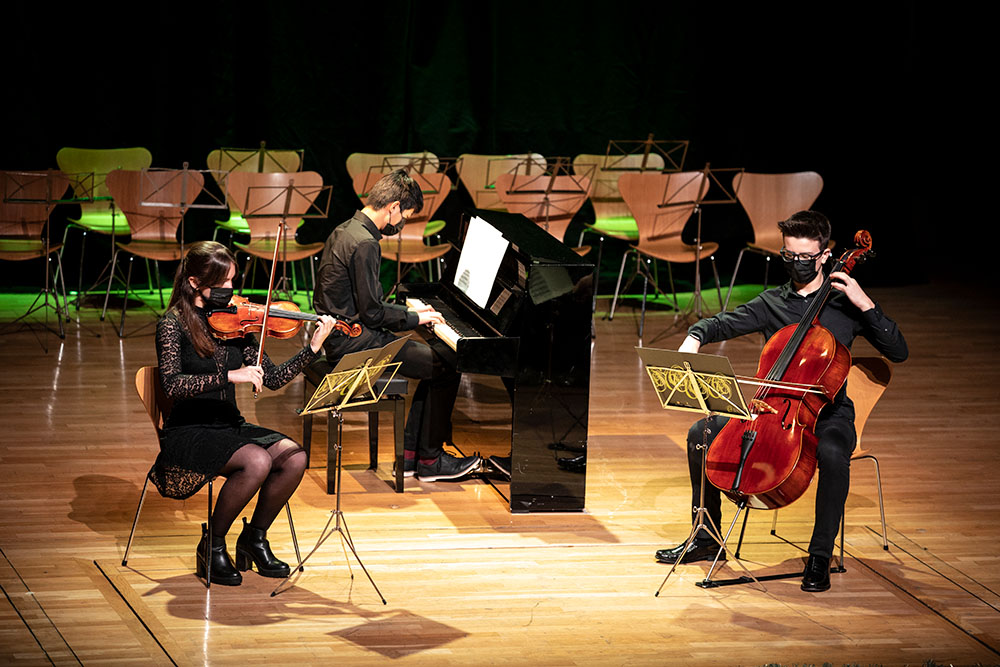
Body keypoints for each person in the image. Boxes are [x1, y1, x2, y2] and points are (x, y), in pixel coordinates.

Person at [654, 211, 908, 592]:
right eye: (789, 256)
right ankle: (706, 539)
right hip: (772, 407)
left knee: (835, 455)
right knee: (700, 432)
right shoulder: (773, 302)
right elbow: (722, 323)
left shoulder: (847, 306)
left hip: (827, 411)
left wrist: (864, 300)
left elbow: (898, 350)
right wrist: (694, 336)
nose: (797, 265)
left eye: (806, 258)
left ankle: (820, 555)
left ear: (824, 256)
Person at [153, 241, 338, 586]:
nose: (230, 292)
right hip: (188, 430)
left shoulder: (237, 323)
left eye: (232, 283)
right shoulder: (172, 324)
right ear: (194, 282)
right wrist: (229, 375)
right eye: (221, 284)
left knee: (295, 457)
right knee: (257, 462)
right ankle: (213, 545)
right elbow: (171, 385)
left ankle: (253, 539)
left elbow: (273, 378)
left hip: (228, 424)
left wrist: (312, 349)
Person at [314, 170, 481, 482]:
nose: (403, 222)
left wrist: (407, 312)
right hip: (354, 343)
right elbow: (373, 313)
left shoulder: (344, 230)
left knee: (435, 364)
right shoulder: (365, 243)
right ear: (391, 206)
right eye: (405, 214)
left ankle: (411, 456)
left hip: (341, 336)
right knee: (446, 364)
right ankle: (429, 460)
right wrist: (416, 317)